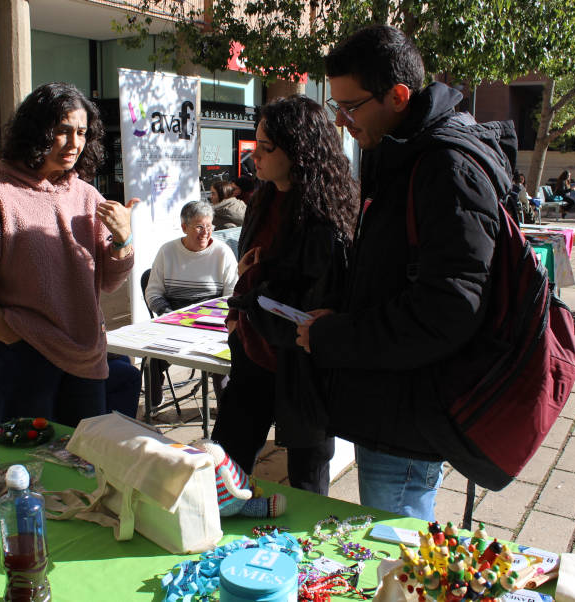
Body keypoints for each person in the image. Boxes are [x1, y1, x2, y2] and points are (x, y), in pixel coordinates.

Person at [295, 25, 515, 520]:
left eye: (350, 107)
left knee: (399, 552)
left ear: (398, 96)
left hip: (411, 410)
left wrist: (339, 335)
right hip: (393, 397)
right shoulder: (399, 152)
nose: (342, 121)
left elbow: (448, 308)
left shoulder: (445, 169)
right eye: (336, 107)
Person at [0, 82, 136, 428]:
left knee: (82, 461)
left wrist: (122, 240)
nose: (74, 143)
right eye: (62, 131)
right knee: (27, 468)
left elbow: (108, 281)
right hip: (24, 359)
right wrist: (12, 337)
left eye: (81, 132)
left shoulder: (87, 196)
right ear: (37, 131)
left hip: (85, 355)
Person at [211, 95, 359, 495]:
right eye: (255, 145)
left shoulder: (326, 214)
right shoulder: (262, 198)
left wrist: (255, 285)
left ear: (299, 150)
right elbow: (249, 270)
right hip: (253, 351)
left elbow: (317, 297)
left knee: (307, 483)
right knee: (224, 468)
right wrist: (239, 305)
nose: (254, 157)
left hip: (303, 366)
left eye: (266, 148)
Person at [144, 200, 238, 406]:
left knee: (221, 363)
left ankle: (225, 413)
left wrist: (216, 321)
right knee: (150, 356)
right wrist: (170, 315)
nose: (206, 232)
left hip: (213, 327)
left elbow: (233, 296)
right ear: (184, 227)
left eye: (209, 226)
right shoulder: (167, 252)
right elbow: (153, 292)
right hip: (173, 324)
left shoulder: (223, 253)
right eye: (199, 226)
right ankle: (153, 405)